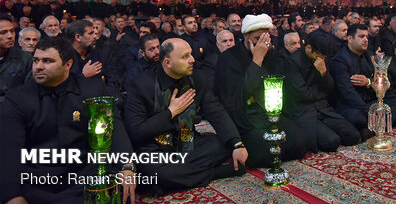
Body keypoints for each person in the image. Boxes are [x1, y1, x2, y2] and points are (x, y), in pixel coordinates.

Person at [0, 37, 136, 204]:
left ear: (68, 64)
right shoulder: (18, 98)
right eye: (36, 60)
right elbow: (8, 150)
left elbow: (113, 127)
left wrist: (127, 166)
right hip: (37, 180)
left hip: (83, 174)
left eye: (47, 61)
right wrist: (13, 196)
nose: (39, 66)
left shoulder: (92, 89)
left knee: (120, 191)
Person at [124, 38, 247, 195]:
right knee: (155, 172)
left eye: (191, 54)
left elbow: (215, 111)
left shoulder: (196, 78)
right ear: (167, 63)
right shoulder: (141, 84)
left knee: (222, 143)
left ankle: (179, 176)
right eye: (185, 57)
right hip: (156, 149)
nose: (192, 60)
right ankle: (215, 173)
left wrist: (236, 143)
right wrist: (171, 112)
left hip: (188, 143)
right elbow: (136, 132)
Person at [214, 14, 309, 168]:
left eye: (266, 38)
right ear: (245, 36)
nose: (262, 43)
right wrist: (257, 60)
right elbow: (238, 96)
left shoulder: (270, 53)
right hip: (244, 118)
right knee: (267, 154)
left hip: (267, 114)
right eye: (257, 38)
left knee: (300, 143)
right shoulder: (229, 58)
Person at [284, 33, 360, 152]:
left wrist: (324, 73)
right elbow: (303, 94)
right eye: (319, 55)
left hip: (323, 108)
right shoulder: (291, 63)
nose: (321, 59)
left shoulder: (322, 59)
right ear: (308, 48)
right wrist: (322, 92)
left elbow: (330, 89)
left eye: (324, 56)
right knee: (332, 141)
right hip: (304, 111)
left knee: (353, 135)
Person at [330, 24, 396, 140]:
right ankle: (379, 125)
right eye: (361, 36)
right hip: (351, 105)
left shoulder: (369, 55)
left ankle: (370, 129)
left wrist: (368, 82)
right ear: (350, 38)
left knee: (395, 104)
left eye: (367, 37)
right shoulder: (340, 60)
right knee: (358, 117)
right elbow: (347, 93)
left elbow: (382, 80)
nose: (365, 40)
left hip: (369, 100)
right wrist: (369, 111)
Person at [0, 14, 32, 103]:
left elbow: (29, 91)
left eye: (12, 31)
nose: (10, 36)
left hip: (15, 109)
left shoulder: (25, 58)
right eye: (3, 32)